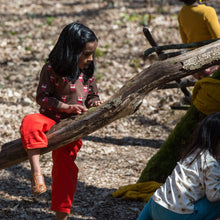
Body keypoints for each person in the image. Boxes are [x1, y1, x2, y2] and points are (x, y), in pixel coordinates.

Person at [20, 22, 103, 220]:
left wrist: (95, 102)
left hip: (72, 127)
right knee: (30, 122)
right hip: (49, 120)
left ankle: (61, 216)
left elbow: (92, 95)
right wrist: (65, 108)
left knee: (65, 169)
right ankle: (36, 171)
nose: (90, 59)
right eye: (85, 54)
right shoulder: (51, 69)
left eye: (92, 54)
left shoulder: (87, 72)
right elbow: (42, 97)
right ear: (70, 51)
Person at [137, 112, 220, 220]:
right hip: (176, 215)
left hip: (155, 206)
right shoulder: (211, 163)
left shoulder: (192, 154)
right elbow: (213, 195)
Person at [178, 0, 220, 80]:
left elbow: (185, 41)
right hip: (211, 62)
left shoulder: (182, 13)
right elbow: (218, 37)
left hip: (196, 65)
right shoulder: (207, 11)